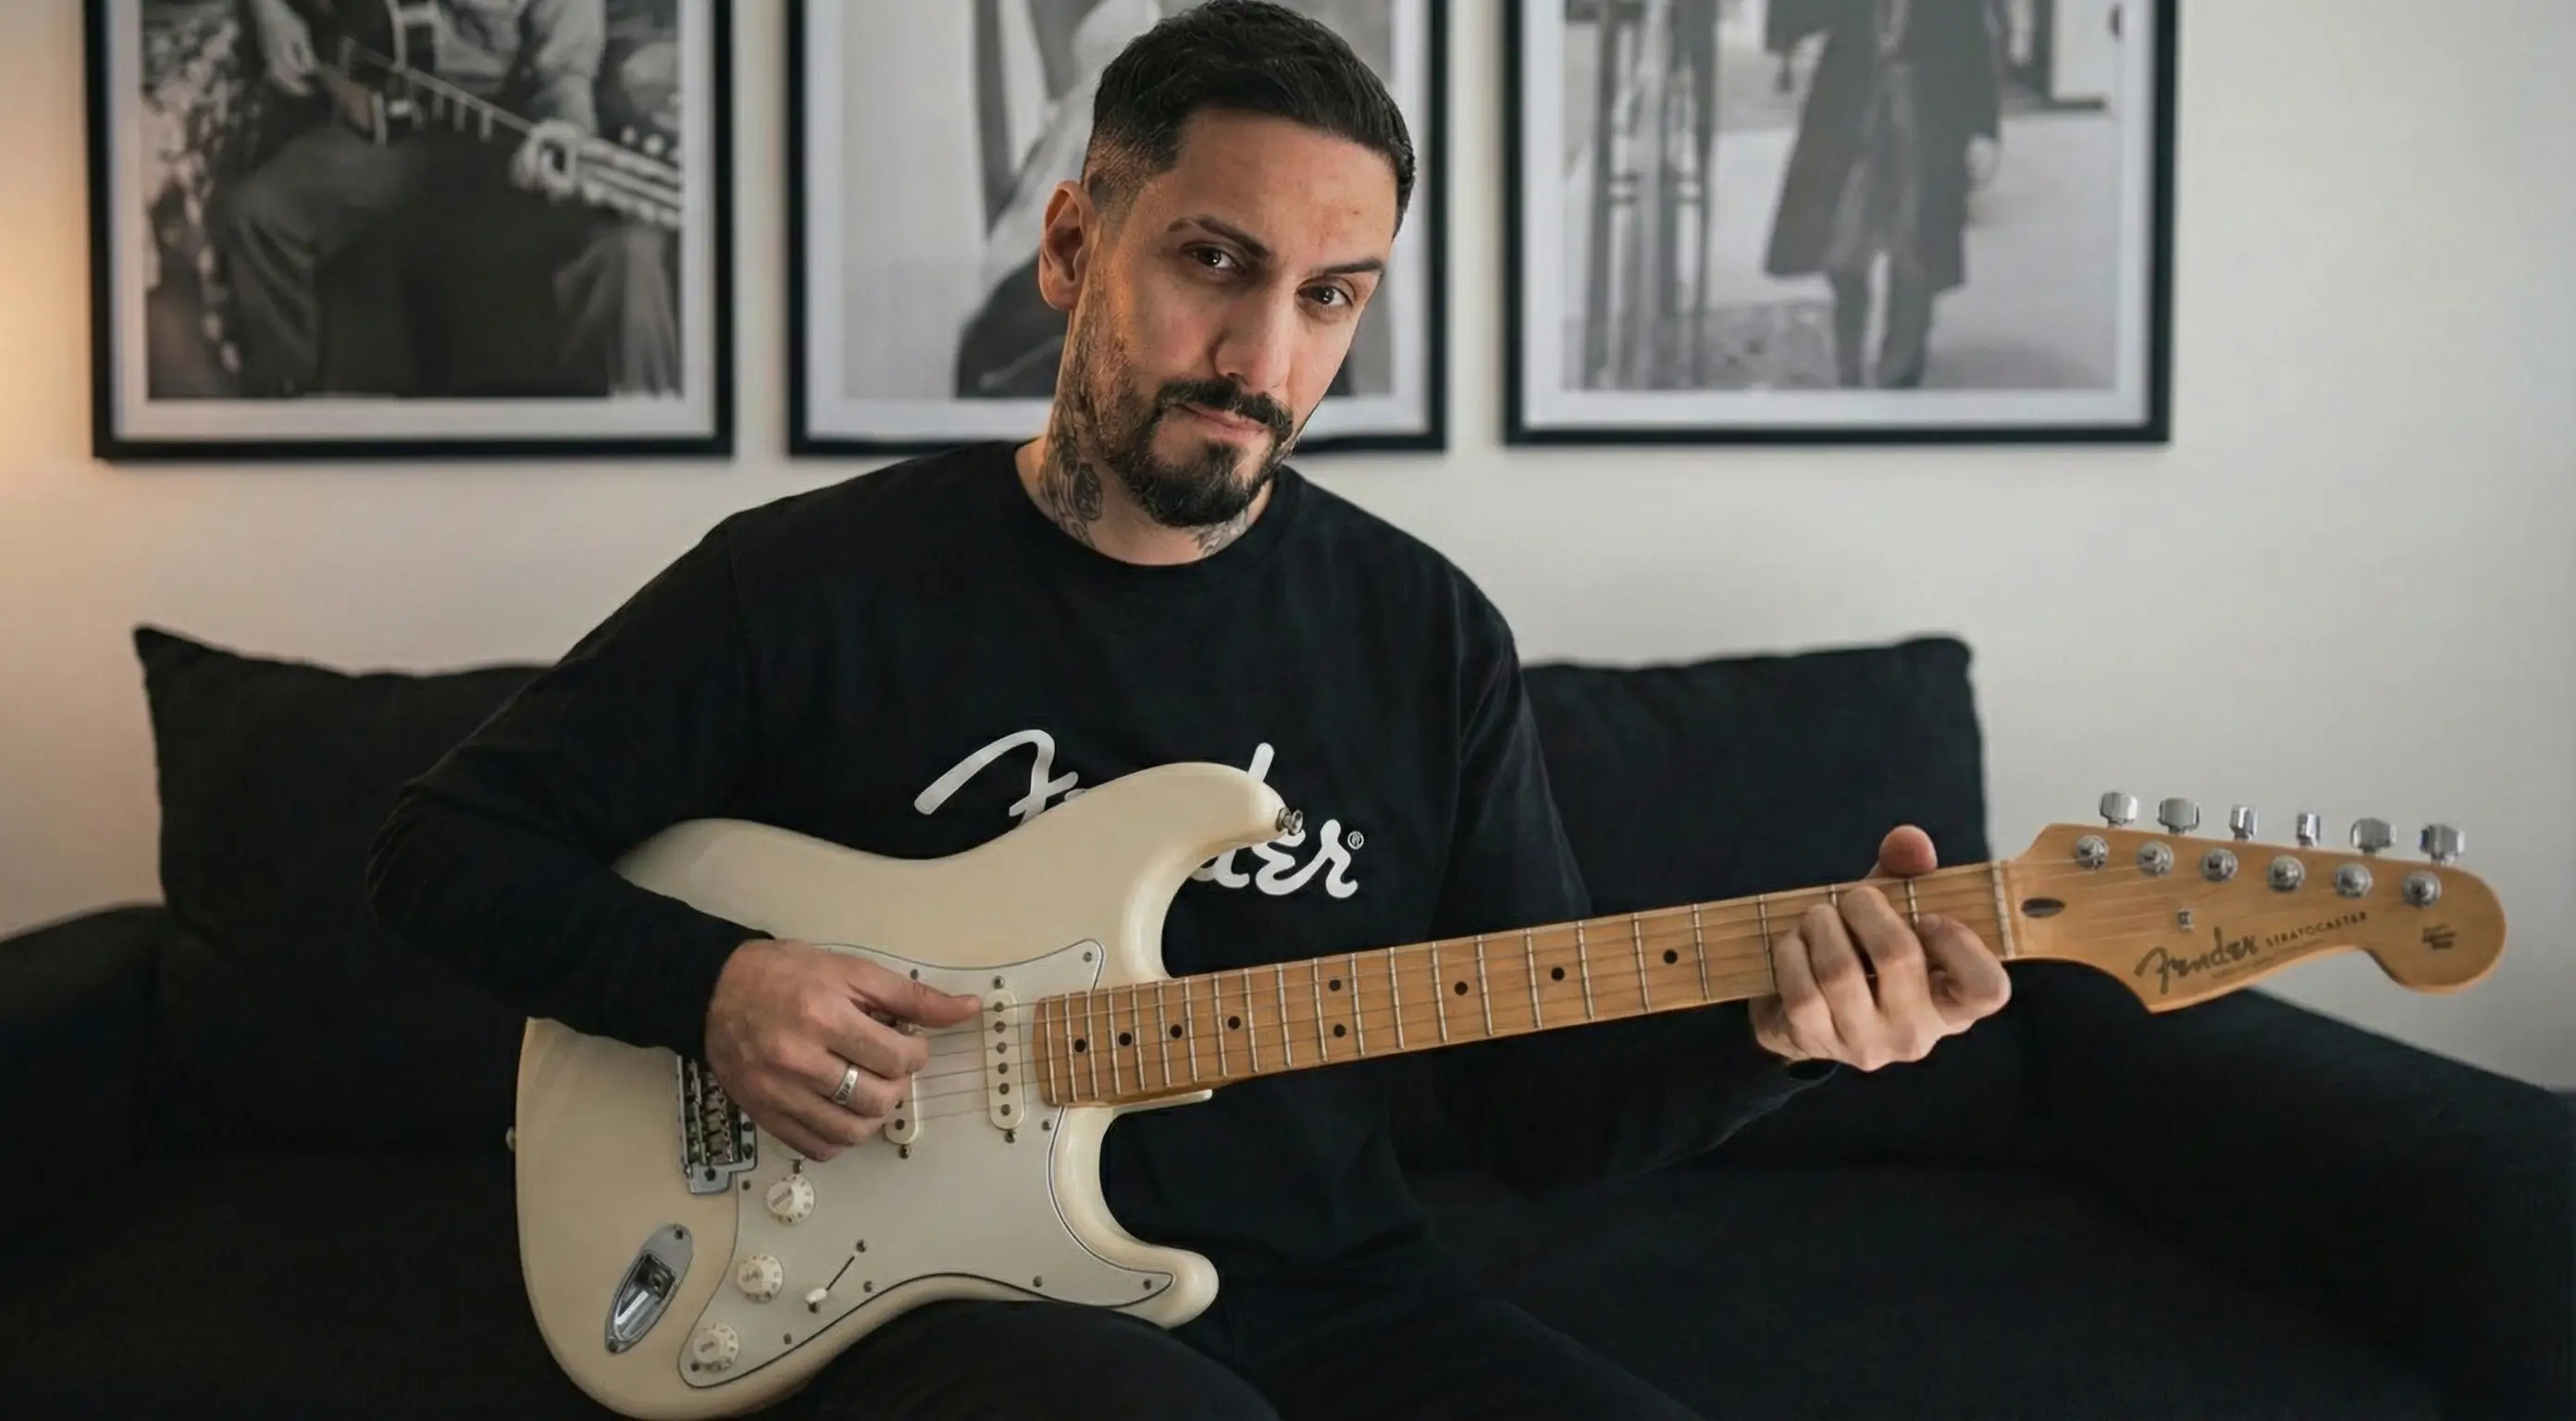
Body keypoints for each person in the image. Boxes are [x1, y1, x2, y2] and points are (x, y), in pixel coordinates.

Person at [365, 3, 2012, 1415]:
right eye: (1215, 262)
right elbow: (441, 846)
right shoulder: (807, 584)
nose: (1260, 354)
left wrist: (1778, 1034)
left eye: (1328, 297)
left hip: (1333, 1296)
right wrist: (714, 983)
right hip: (923, 1300)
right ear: (1074, 243)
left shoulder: (1421, 635)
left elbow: (1543, 1122)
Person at [212, 0, 679, 399]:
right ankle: (288, 440)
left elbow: (563, 76)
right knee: (257, 216)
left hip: (496, 138)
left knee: (623, 253)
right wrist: (270, 11)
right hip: (381, 127)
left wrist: (566, 131)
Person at [1762, 0, 2007, 388]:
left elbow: (1976, 38)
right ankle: (1848, 363)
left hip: (1925, 111)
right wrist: (1787, 40)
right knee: (1842, 244)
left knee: (1916, 250)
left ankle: (1900, 374)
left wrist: (1984, 127)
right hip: (1851, 108)